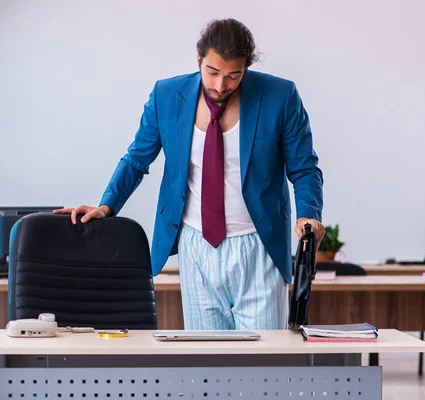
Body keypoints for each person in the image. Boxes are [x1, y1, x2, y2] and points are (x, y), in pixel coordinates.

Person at [54, 18, 324, 331]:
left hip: (258, 246)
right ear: (199, 59)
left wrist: (308, 215)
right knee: (206, 364)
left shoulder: (280, 96)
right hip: (196, 244)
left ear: (246, 69)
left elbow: (304, 168)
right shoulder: (166, 95)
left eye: (233, 76)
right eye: (212, 72)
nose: (221, 85)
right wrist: (106, 205)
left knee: (263, 362)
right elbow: (137, 158)